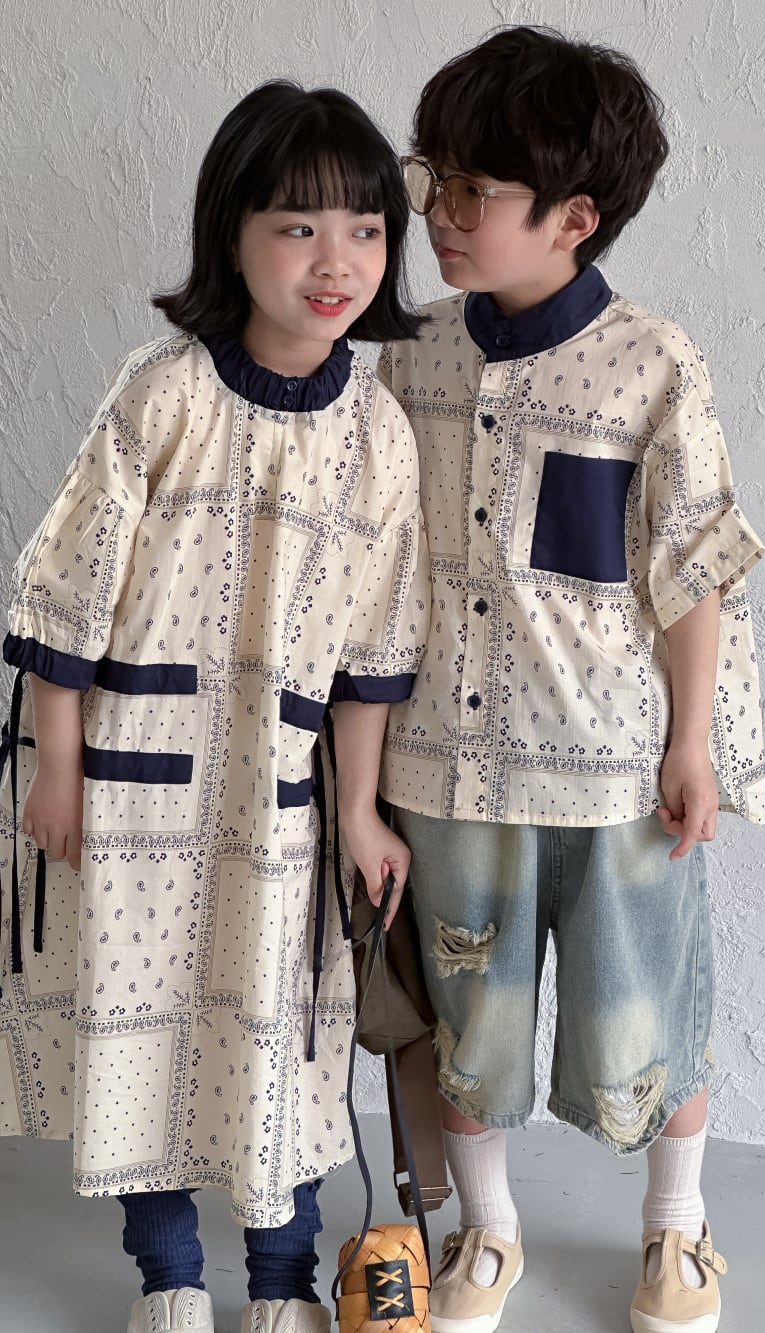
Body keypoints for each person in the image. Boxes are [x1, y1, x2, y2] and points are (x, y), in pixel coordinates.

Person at [0, 80, 429, 1333]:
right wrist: (58, 763)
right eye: (298, 226)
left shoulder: (379, 434)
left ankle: (282, 1283)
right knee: (139, 1030)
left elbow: (374, 649)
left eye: (363, 228)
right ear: (230, 234)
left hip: (280, 800)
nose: (335, 259)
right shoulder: (163, 394)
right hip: (131, 783)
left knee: (279, 1037)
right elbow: (68, 587)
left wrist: (360, 811)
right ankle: (170, 1277)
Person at [378, 26, 765, 1333]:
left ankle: (678, 1226)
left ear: (574, 217)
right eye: (432, 179)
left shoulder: (654, 365)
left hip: (612, 770)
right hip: (448, 765)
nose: (438, 212)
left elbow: (694, 566)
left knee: (646, 1008)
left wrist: (691, 742)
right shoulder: (414, 357)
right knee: (469, 1020)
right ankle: (488, 1232)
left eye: (471, 190)